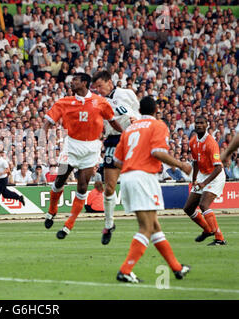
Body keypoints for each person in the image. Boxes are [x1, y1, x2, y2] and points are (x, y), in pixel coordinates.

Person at [113, 96, 192, 283]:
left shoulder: (130, 129)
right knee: (146, 227)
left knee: (154, 226)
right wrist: (181, 165)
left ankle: (177, 268)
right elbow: (156, 152)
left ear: (139, 111)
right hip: (144, 177)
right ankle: (125, 270)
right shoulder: (158, 125)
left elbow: (117, 161)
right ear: (156, 110)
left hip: (127, 177)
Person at [42, 72, 123, 239]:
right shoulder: (64, 102)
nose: (72, 83)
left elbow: (112, 120)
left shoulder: (100, 102)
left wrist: (126, 133)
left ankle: (68, 226)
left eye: (75, 80)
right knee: (60, 179)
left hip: (91, 149)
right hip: (70, 147)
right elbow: (48, 122)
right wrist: (43, 137)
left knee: (82, 186)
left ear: (85, 83)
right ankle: (52, 211)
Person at [91, 70, 141, 245]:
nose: (98, 89)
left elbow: (137, 112)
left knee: (137, 180)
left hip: (131, 137)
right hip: (113, 140)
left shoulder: (126, 93)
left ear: (109, 82)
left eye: (100, 86)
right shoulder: (98, 102)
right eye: (95, 87)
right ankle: (109, 224)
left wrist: (137, 124)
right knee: (110, 187)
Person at [183, 116, 227, 246]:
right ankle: (208, 230)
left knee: (203, 205)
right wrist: (194, 179)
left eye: (202, 123)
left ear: (207, 125)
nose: (199, 125)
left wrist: (204, 183)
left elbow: (218, 168)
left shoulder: (211, 143)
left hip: (215, 176)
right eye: (197, 123)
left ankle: (219, 237)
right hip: (203, 175)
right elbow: (196, 162)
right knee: (188, 208)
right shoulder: (192, 142)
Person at [0, 150, 24, 214]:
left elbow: (8, 169)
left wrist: (1, 173)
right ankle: (19, 197)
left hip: (3, 178)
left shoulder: (3, 161)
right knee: (5, 194)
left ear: (0, 154)